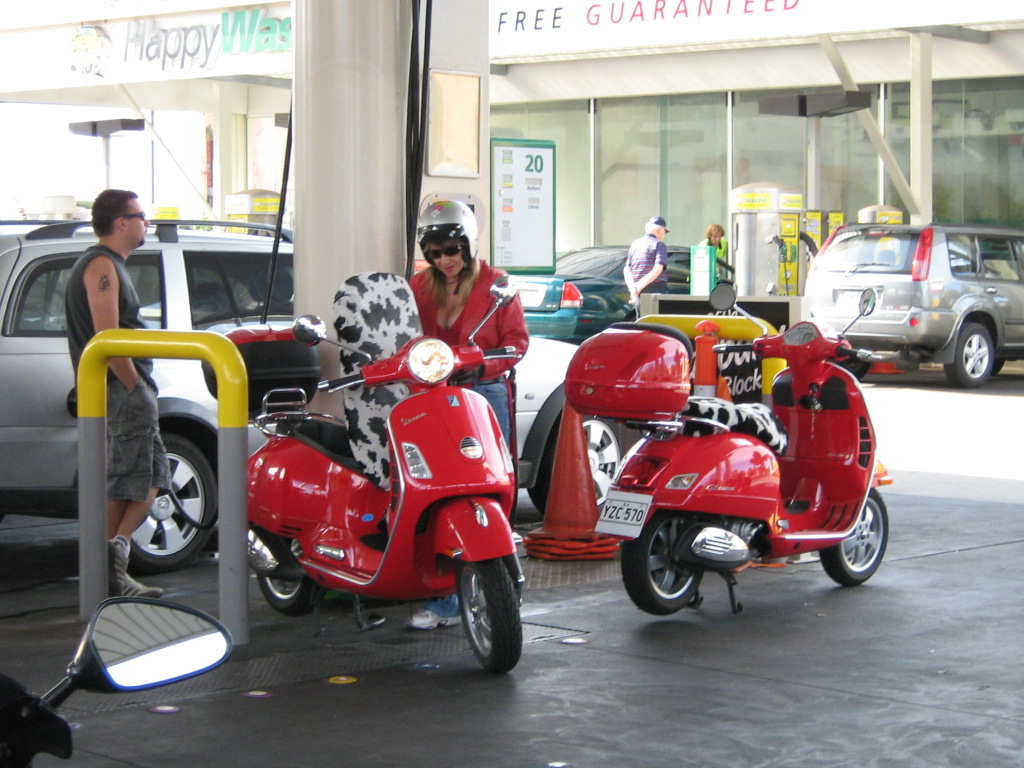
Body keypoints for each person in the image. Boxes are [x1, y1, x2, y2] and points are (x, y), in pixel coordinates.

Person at [406, 199, 529, 630]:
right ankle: (442, 588)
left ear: (469, 245)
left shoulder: (496, 285)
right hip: (432, 396)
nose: (445, 260)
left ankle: (495, 580)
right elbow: (405, 339)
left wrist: (483, 365)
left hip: (483, 393)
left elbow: (517, 341)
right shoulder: (419, 287)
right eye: (435, 253)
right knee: (437, 490)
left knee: (488, 488)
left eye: (452, 251)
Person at [65, 189, 168, 598]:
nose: (147, 223)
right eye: (141, 216)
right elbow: (107, 337)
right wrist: (133, 385)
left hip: (129, 389)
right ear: (121, 223)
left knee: (154, 474)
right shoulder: (101, 264)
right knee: (122, 479)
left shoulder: (112, 265)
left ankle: (115, 557)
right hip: (119, 390)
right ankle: (103, 576)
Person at [624, 215, 670, 309]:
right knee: (656, 317)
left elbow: (627, 269)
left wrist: (633, 289)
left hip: (638, 291)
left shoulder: (635, 244)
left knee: (641, 316)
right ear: (660, 230)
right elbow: (658, 269)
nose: (664, 235)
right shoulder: (659, 244)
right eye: (664, 232)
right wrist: (639, 287)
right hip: (655, 289)